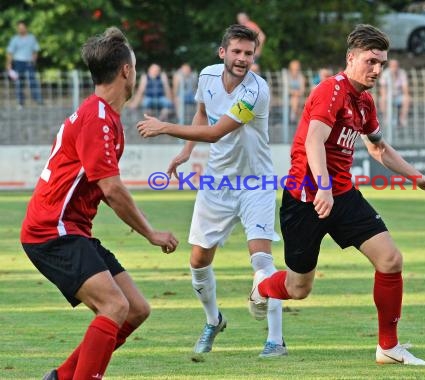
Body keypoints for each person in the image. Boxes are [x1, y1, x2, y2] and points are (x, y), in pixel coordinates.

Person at [247, 24, 425, 365]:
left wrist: (417, 177)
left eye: (382, 63)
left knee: (390, 260)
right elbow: (313, 141)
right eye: (371, 61)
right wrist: (322, 187)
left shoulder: (365, 102)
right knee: (299, 289)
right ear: (351, 58)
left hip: (342, 195)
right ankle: (262, 287)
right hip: (306, 199)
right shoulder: (331, 91)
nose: (377, 70)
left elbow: (379, 149)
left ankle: (387, 346)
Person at [20, 27, 179, 380]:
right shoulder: (97, 119)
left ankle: (61, 377)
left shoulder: (104, 117)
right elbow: (112, 189)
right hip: (52, 230)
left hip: (71, 229)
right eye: (134, 67)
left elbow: (103, 188)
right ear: (126, 71)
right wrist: (151, 233)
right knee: (114, 305)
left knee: (135, 309)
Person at [137, 25, 287, 358]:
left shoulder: (256, 91)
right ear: (223, 52)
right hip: (217, 183)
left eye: (248, 53)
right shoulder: (206, 77)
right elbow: (203, 114)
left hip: (255, 183)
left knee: (262, 260)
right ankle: (213, 320)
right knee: (198, 261)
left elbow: (217, 132)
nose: (242, 59)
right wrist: (185, 151)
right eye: (236, 51)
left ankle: (275, 341)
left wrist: (164, 127)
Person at [5, 20, 43, 107]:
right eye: (19, 28)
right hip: (18, 62)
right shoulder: (14, 39)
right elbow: (10, 52)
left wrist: (34, 59)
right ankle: (20, 102)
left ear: (26, 28)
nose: (21, 29)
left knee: (33, 81)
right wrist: (9, 64)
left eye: (22, 27)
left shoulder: (32, 38)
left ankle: (38, 101)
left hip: (29, 62)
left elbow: (35, 50)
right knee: (19, 83)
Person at [379, 59, 411, 128]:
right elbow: (383, 88)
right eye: (393, 66)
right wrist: (385, 96)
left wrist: (406, 95)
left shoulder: (402, 73)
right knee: (382, 99)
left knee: (407, 98)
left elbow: (405, 88)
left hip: (398, 95)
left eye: (396, 66)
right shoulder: (385, 74)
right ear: (390, 66)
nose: (394, 67)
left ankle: (403, 118)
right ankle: (386, 118)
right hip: (388, 95)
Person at [287, 59, 306, 123]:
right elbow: (287, 90)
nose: (295, 71)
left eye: (297, 69)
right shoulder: (287, 77)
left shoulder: (301, 77)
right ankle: (299, 117)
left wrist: (297, 93)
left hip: (298, 97)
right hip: (289, 97)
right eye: (294, 69)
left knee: (295, 99)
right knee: (294, 99)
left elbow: (302, 90)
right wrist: (294, 92)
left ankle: (294, 114)